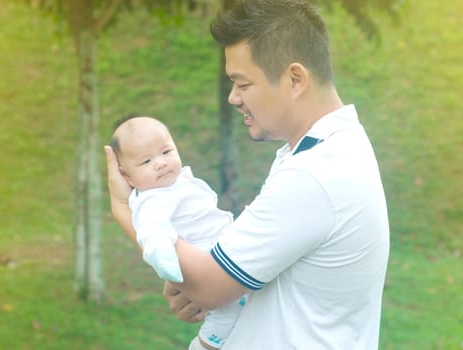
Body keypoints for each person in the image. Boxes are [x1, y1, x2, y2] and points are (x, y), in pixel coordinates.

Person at [104, 0, 390, 348]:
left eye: (242, 84)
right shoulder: (327, 148)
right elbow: (230, 276)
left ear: (295, 79)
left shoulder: (314, 176)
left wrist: (128, 209)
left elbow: (209, 286)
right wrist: (192, 280)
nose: (233, 98)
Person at [108, 115, 246, 350]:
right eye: (146, 162)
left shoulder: (176, 182)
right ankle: (206, 344)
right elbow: (152, 232)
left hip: (223, 246)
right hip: (207, 257)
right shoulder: (151, 199)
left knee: (238, 305)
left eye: (166, 152)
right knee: (230, 308)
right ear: (127, 176)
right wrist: (163, 257)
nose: (160, 163)